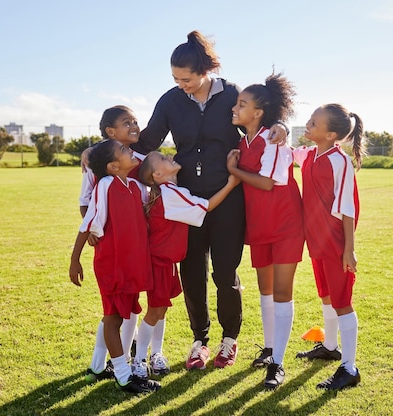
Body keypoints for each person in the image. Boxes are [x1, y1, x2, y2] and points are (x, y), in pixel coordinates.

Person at [131, 30, 288, 370]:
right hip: (187, 201)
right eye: (175, 78)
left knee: (225, 272)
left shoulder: (231, 93)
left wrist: (282, 128)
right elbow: (147, 141)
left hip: (228, 197)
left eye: (185, 78)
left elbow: (259, 117)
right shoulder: (170, 101)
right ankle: (199, 340)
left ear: (203, 70)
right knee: (191, 272)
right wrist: (104, 149)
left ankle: (229, 339)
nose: (180, 84)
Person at [130, 151, 240, 376]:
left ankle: (155, 355)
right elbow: (207, 206)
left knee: (160, 311)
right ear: (158, 174)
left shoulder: (168, 191)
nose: (169, 155)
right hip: (159, 262)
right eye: (163, 158)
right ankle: (139, 361)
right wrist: (232, 183)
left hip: (166, 263)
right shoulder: (171, 193)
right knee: (154, 312)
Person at [226, 73, 304, 389]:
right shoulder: (243, 141)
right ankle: (270, 348)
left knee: (283, 293)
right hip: (259, 226)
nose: (235, 107)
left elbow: (267, 183)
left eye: (242, 104)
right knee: (266, 292)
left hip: (285, 224)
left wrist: (234, 170)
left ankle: (278, 365)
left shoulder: (272, 138)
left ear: (258, 113)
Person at [68, 139, 160, 394]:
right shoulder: (106, 186)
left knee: (122, 315)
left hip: (132, 265)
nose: (129, 151)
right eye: (123, 150)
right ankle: (122, 375)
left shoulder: (134, 186)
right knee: (113, 318)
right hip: (113, 264)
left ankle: (114, 370)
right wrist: (75, 260)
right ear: (112, 166)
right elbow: (88, 223)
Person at [292, 103, 367, 391]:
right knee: (325, 295)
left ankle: (349, 368)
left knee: (342, 301)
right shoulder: (309, 154)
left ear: (331, 133)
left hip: (335, 241)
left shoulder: (340, 161)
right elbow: (287, 152)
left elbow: (348, 208)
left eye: (314, 122)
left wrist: (349, 249)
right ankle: (330, 347)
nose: (308, 124)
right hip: (316, 240)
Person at [78, 106, 145, 382]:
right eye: (126, 122)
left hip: (137, 246)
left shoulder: (141, 161)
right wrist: (93, 230)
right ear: (110, 131)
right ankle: (102, 363)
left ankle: (122, 361)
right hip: (112, 247)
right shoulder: (95, 165)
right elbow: (86, 202)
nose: (134, 125)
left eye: (135, 121)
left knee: (127, 306)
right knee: (114, 309)